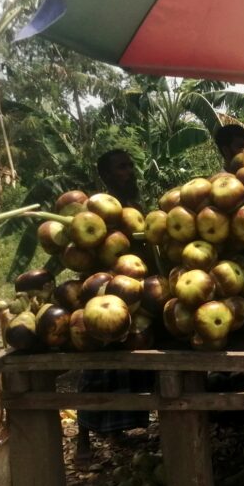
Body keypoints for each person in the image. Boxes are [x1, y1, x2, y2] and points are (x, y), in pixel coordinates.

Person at [76, 150, 150, 461]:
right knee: (96, 364)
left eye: (131, 165)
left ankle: (117, 430)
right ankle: (82, 438)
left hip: (130, 290)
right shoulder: (96, 211)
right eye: (122, 167)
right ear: (106, 175)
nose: (130, 171)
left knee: (127, 360)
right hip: (103, 291)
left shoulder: (133, 207)